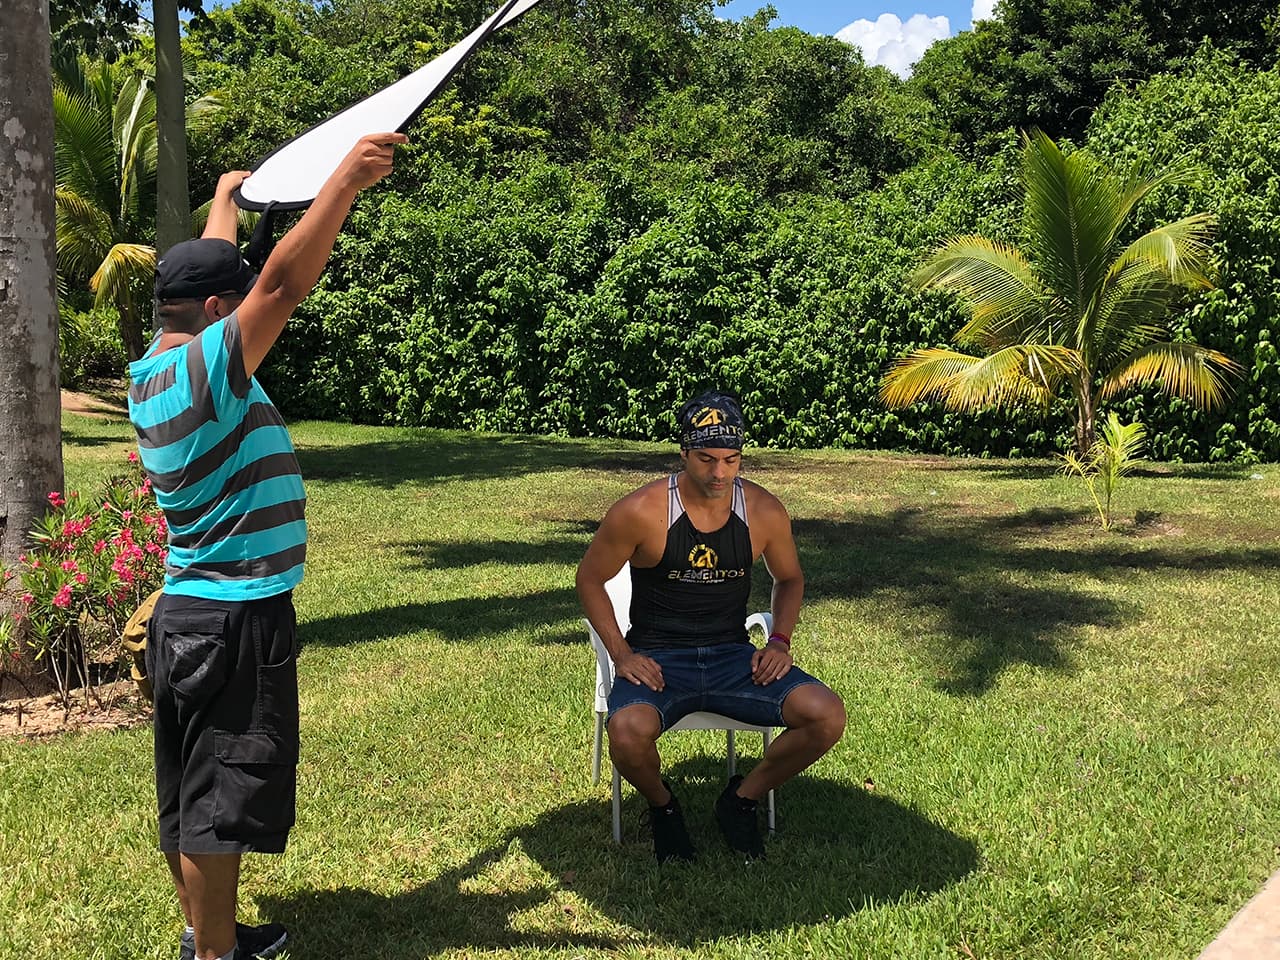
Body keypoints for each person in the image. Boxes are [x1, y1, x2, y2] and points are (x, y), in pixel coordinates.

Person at [127, 132, 407, 960]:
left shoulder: (154, 367)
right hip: (234, 619)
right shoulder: (208, 375)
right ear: (219, 314)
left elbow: (212, 272)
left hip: (189, 616)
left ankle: (204, 934)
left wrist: (225, 200)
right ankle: (217, 955)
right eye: (236, 304)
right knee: (219, 807)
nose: (251, 309)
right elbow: (283, 281)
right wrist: (344, 182)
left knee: (190, 795)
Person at [576, 390, 846, 862]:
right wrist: (622, 654)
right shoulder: (641, 511)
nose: (719, 473)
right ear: (683, 453)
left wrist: (779, 642)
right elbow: (590, 578)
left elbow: (790, 578)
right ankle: (664, 807)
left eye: (731, 460)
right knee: (628, 733)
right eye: (706, 459)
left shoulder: (762, 511)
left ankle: (741, 800)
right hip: (659, 658)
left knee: (827, 715)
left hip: (732, 657)